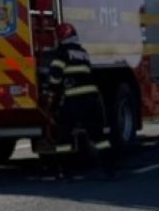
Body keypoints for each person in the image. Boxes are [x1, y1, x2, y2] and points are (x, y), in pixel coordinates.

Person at [47, 23, 111, 178]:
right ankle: (109, 170)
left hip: (73, 101)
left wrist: (52, 92)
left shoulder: (62, 53)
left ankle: (64, 171)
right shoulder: (82, 52)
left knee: (64, 136)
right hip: (91, 100)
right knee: (98, 136)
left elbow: (55, 76)